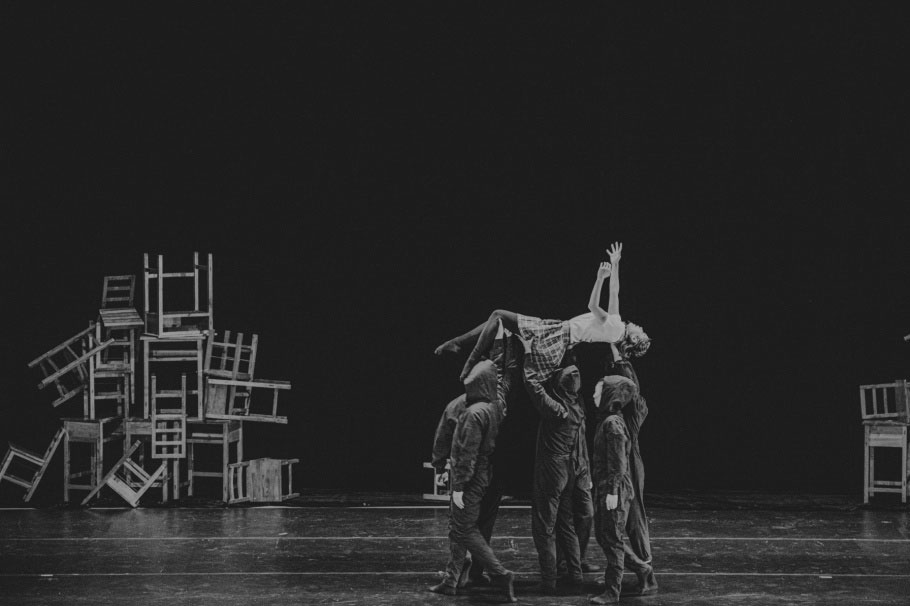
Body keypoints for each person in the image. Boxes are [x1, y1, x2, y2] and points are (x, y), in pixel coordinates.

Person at [433, 243, 650, 397]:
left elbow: (592, 306)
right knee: (499, 320)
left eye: (640, 332)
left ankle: (467, 359)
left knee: (499, 315)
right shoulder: (617, 327)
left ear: (633, 339)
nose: (640, 327)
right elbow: (615, 292)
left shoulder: (616, 328)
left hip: (558, 335)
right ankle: (457, 345)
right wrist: (615, 263)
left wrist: (599, 278)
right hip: (559, 332)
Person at [429, 330, 521, 588]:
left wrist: (442, 468)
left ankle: (463, 575)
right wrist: (506, 342)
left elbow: (445, 441)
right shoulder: (497, 404)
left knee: (460, 526)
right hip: (492, 471)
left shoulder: (462, 408)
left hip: (470, 474)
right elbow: (507, 374)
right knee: (482, 523)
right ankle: (470, 572)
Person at [590, 375, 656, 605]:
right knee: (604, 536)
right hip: (606, 486)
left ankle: (612, 591)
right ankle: (642, 568)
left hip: (615, 489)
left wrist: (613, 491)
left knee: (613, 539)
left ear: (610, 396)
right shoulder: (606, 421)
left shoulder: (613, 424)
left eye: (599, 391)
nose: (594, 395)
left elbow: (618, 463)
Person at [529, 363, 592, 595]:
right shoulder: (577, 405)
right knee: (566, 523)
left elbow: (532, 385)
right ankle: (575, 574)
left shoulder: (557, 408)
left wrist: (528, 354)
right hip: (570, 469)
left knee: (544, 525)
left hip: (553, 470)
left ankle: (549, 580)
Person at [598, 347, 655, 573]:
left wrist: (617, 351)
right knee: (629, 515)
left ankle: (644, 560)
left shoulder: (631, 411)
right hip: (626, 460)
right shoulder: (624, 411)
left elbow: (628, 381)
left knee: (634, 513)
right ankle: (641, 561)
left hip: (628, 462)